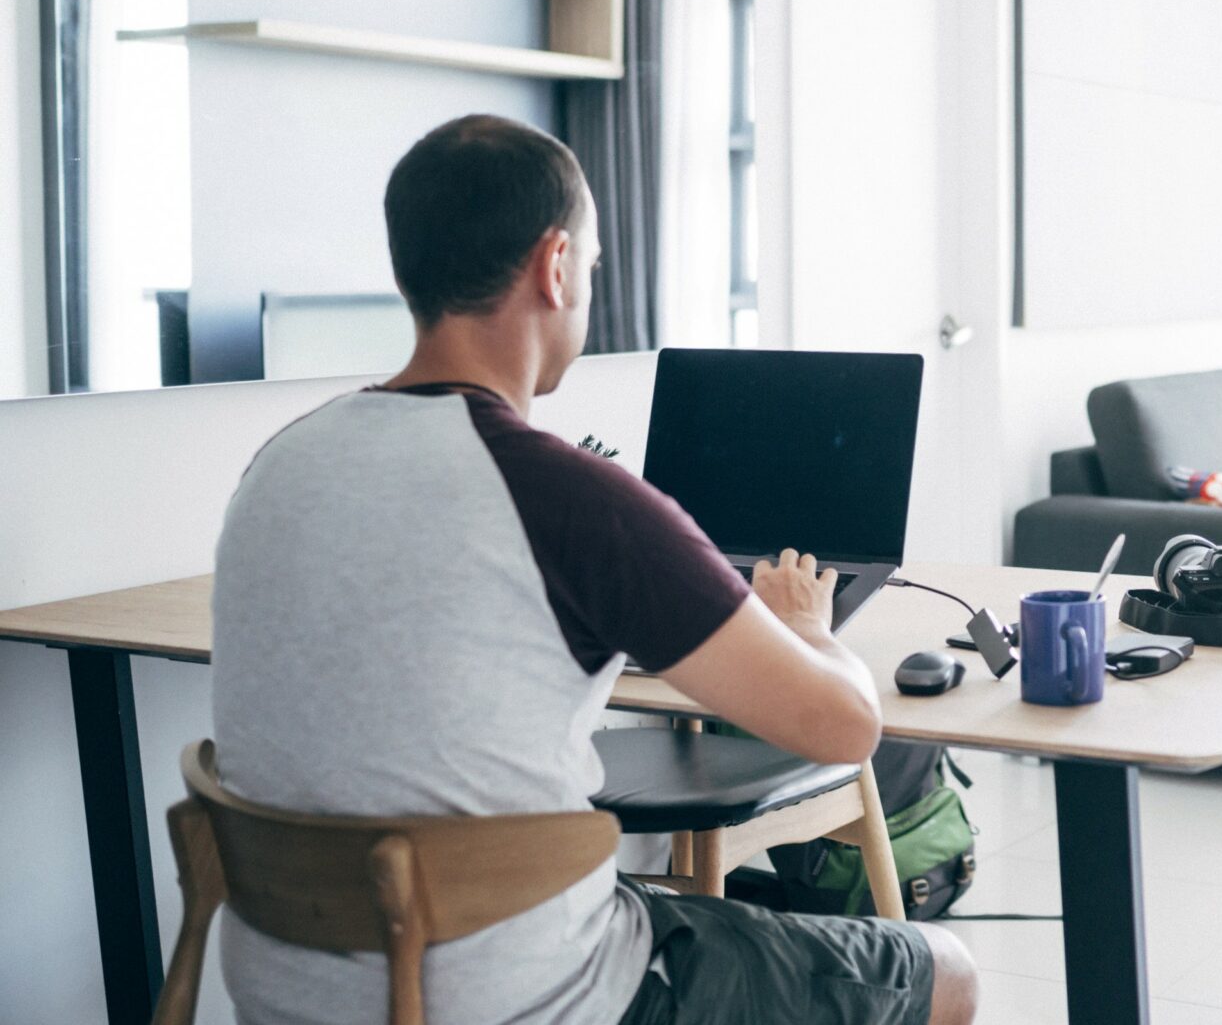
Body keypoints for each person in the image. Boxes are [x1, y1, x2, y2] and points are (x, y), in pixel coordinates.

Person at [211, 114, 977, 1025]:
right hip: (513, 998)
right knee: (947, 970)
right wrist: (807, 625)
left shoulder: (277, 466)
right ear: (556, 264)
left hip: (284, 989)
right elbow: (846, 728)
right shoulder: (570, 499)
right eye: (595, 263)